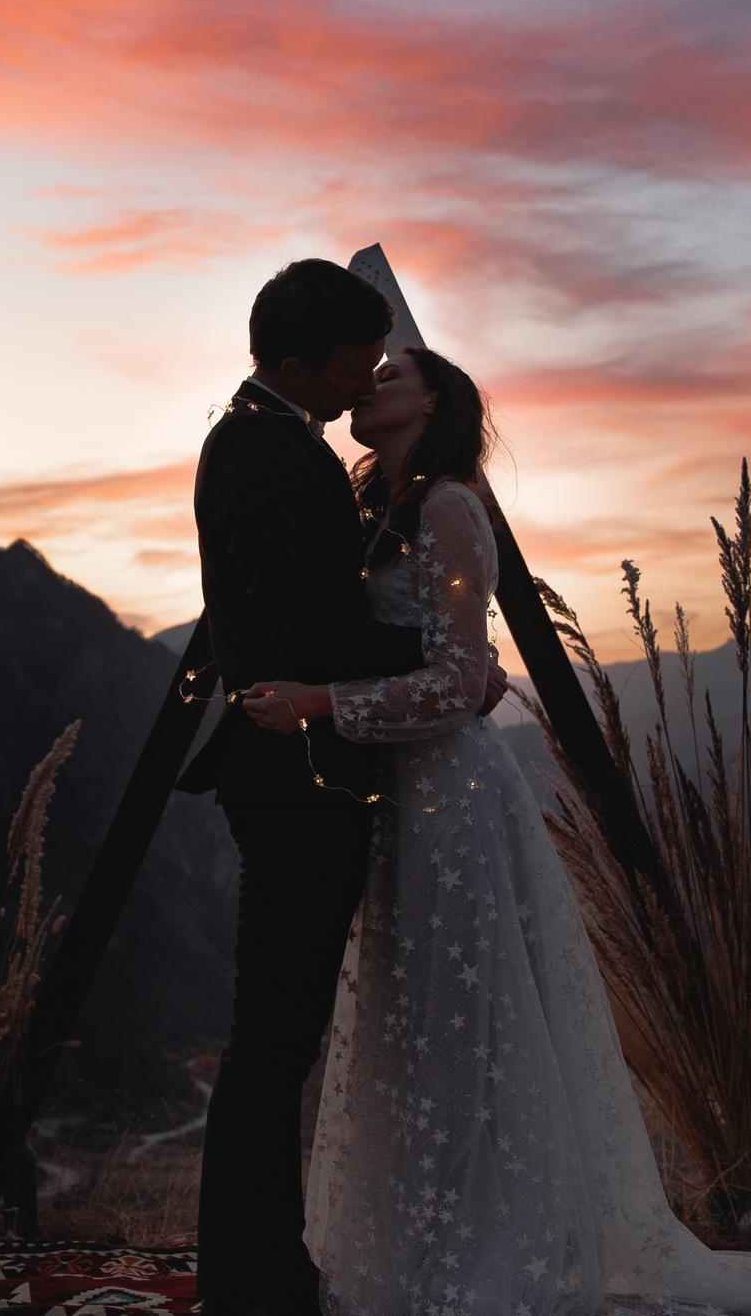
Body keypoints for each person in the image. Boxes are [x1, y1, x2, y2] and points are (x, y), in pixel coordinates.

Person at [242, 346, 751, 1316]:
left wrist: (320, 702)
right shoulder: (384, 510)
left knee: (468, 1030)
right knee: (411, 1029)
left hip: (449, 802)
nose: (369, 382)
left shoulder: (449, 506)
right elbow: (455, 662)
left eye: (391, 374)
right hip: (399, 799)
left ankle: (493, 1256)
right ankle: (424, 1244)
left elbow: (460, 683)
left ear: (437, 401)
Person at [178, 259, 509, 1316]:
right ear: (296, 362)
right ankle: (255, 1283)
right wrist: (449, 660)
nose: (368, 375)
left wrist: (436, 663)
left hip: (313, 767)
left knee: (284, 1038)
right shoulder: (268, 453)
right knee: (276, 1039)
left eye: (383, 363)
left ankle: (266, 1272)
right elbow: (304, 624)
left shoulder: (286, 446)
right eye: (356, 360)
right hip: (294, 778)